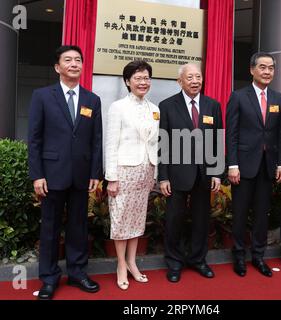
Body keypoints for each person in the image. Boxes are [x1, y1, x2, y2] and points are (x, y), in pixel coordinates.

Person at [28, 45, 103, 300]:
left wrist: (95, 172)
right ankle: (49, 278)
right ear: (57, 67)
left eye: (78, 60)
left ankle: (77, 272)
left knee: (79, 226)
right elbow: (34, 139)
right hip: (51, 175)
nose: (74, 64)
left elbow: (96, 140)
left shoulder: (92, 100)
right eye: (68, 60)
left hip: (82, 175)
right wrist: (37, 175)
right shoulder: (42, 96)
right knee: (50, 228)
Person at [158, 63, 223, 283]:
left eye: (198, 77)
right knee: (174, 219)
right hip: (177, 174)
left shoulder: (212, 105)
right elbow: (163, 142)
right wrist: (163, 176)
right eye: (190, 77)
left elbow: (217, 139)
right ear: (180, 81)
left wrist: (216, 172)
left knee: (201, 220)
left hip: (204, 174)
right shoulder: (167, 106)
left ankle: (198, 260)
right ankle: (174, 262)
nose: (195, 81)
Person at [226, 52, 281, 278]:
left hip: (268, 166)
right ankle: (239, 256)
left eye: (271, 68)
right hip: (243, 165)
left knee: (262, 214)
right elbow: (231, 134)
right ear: (252, 70)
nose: (267, 71)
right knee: (240, 213)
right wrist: (232, 164)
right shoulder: (238, 96)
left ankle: (259, 257)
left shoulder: (279, 99)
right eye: (262, 67)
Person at [105, 60, 159, 290]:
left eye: (146, 78)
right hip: (124, 171)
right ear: (127, 81)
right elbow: (110, 144)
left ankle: (131, 262)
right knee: (120, 219)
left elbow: (155, 143)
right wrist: (112, 177)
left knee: (137, 219)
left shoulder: (155, 109)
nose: (143, 82)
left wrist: (155, 170)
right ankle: (120, 264)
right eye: (137, 78)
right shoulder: (118, 107)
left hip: (145, 170)